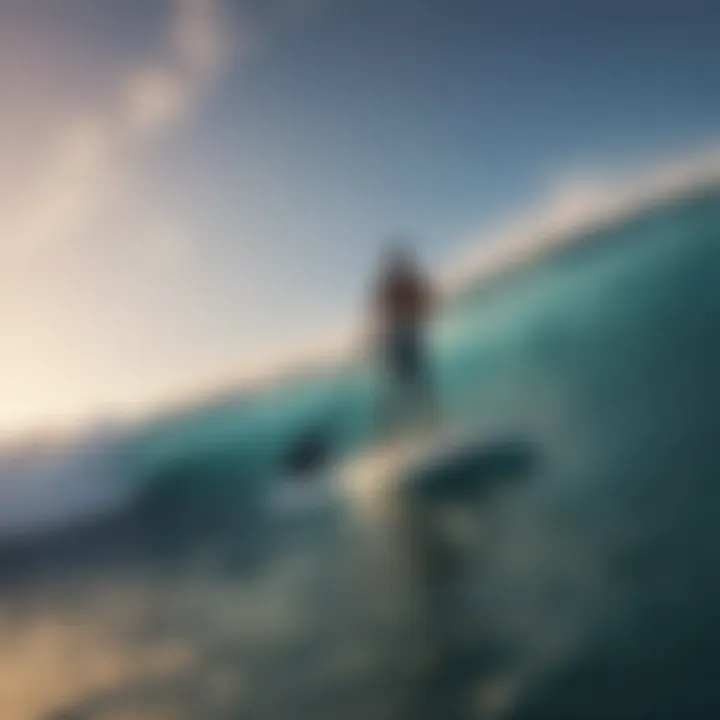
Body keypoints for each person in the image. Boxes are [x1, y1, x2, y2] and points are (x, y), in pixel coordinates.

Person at [371, 242, 436, 436]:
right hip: (396, 338)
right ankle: (389, 435)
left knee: (418, 384)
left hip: (407, 336)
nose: (398, 267)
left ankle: (431, 425)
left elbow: (426, 300)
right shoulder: (390, 284)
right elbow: (380, 312)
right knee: (396, 387)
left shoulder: (408, 281)